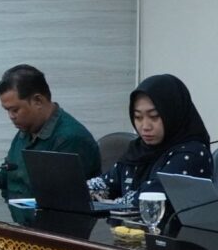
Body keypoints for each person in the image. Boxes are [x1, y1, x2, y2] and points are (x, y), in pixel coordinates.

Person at [0, 64, 100, 200]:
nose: (11, 116)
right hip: (15, 212)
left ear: (38, 101)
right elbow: (8, 175)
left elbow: (59, 198)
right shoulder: (27, 129)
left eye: (15, 110)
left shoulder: (71, 138)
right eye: (7, 111)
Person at [88, 74, 212, 206]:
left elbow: (150, 201)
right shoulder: (138, 150)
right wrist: (82, 191)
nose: (145, 126)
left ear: (173, 113)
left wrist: (110, 204)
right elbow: (106, 184)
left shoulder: (192, 154)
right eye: (138, 117)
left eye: (154, 116)